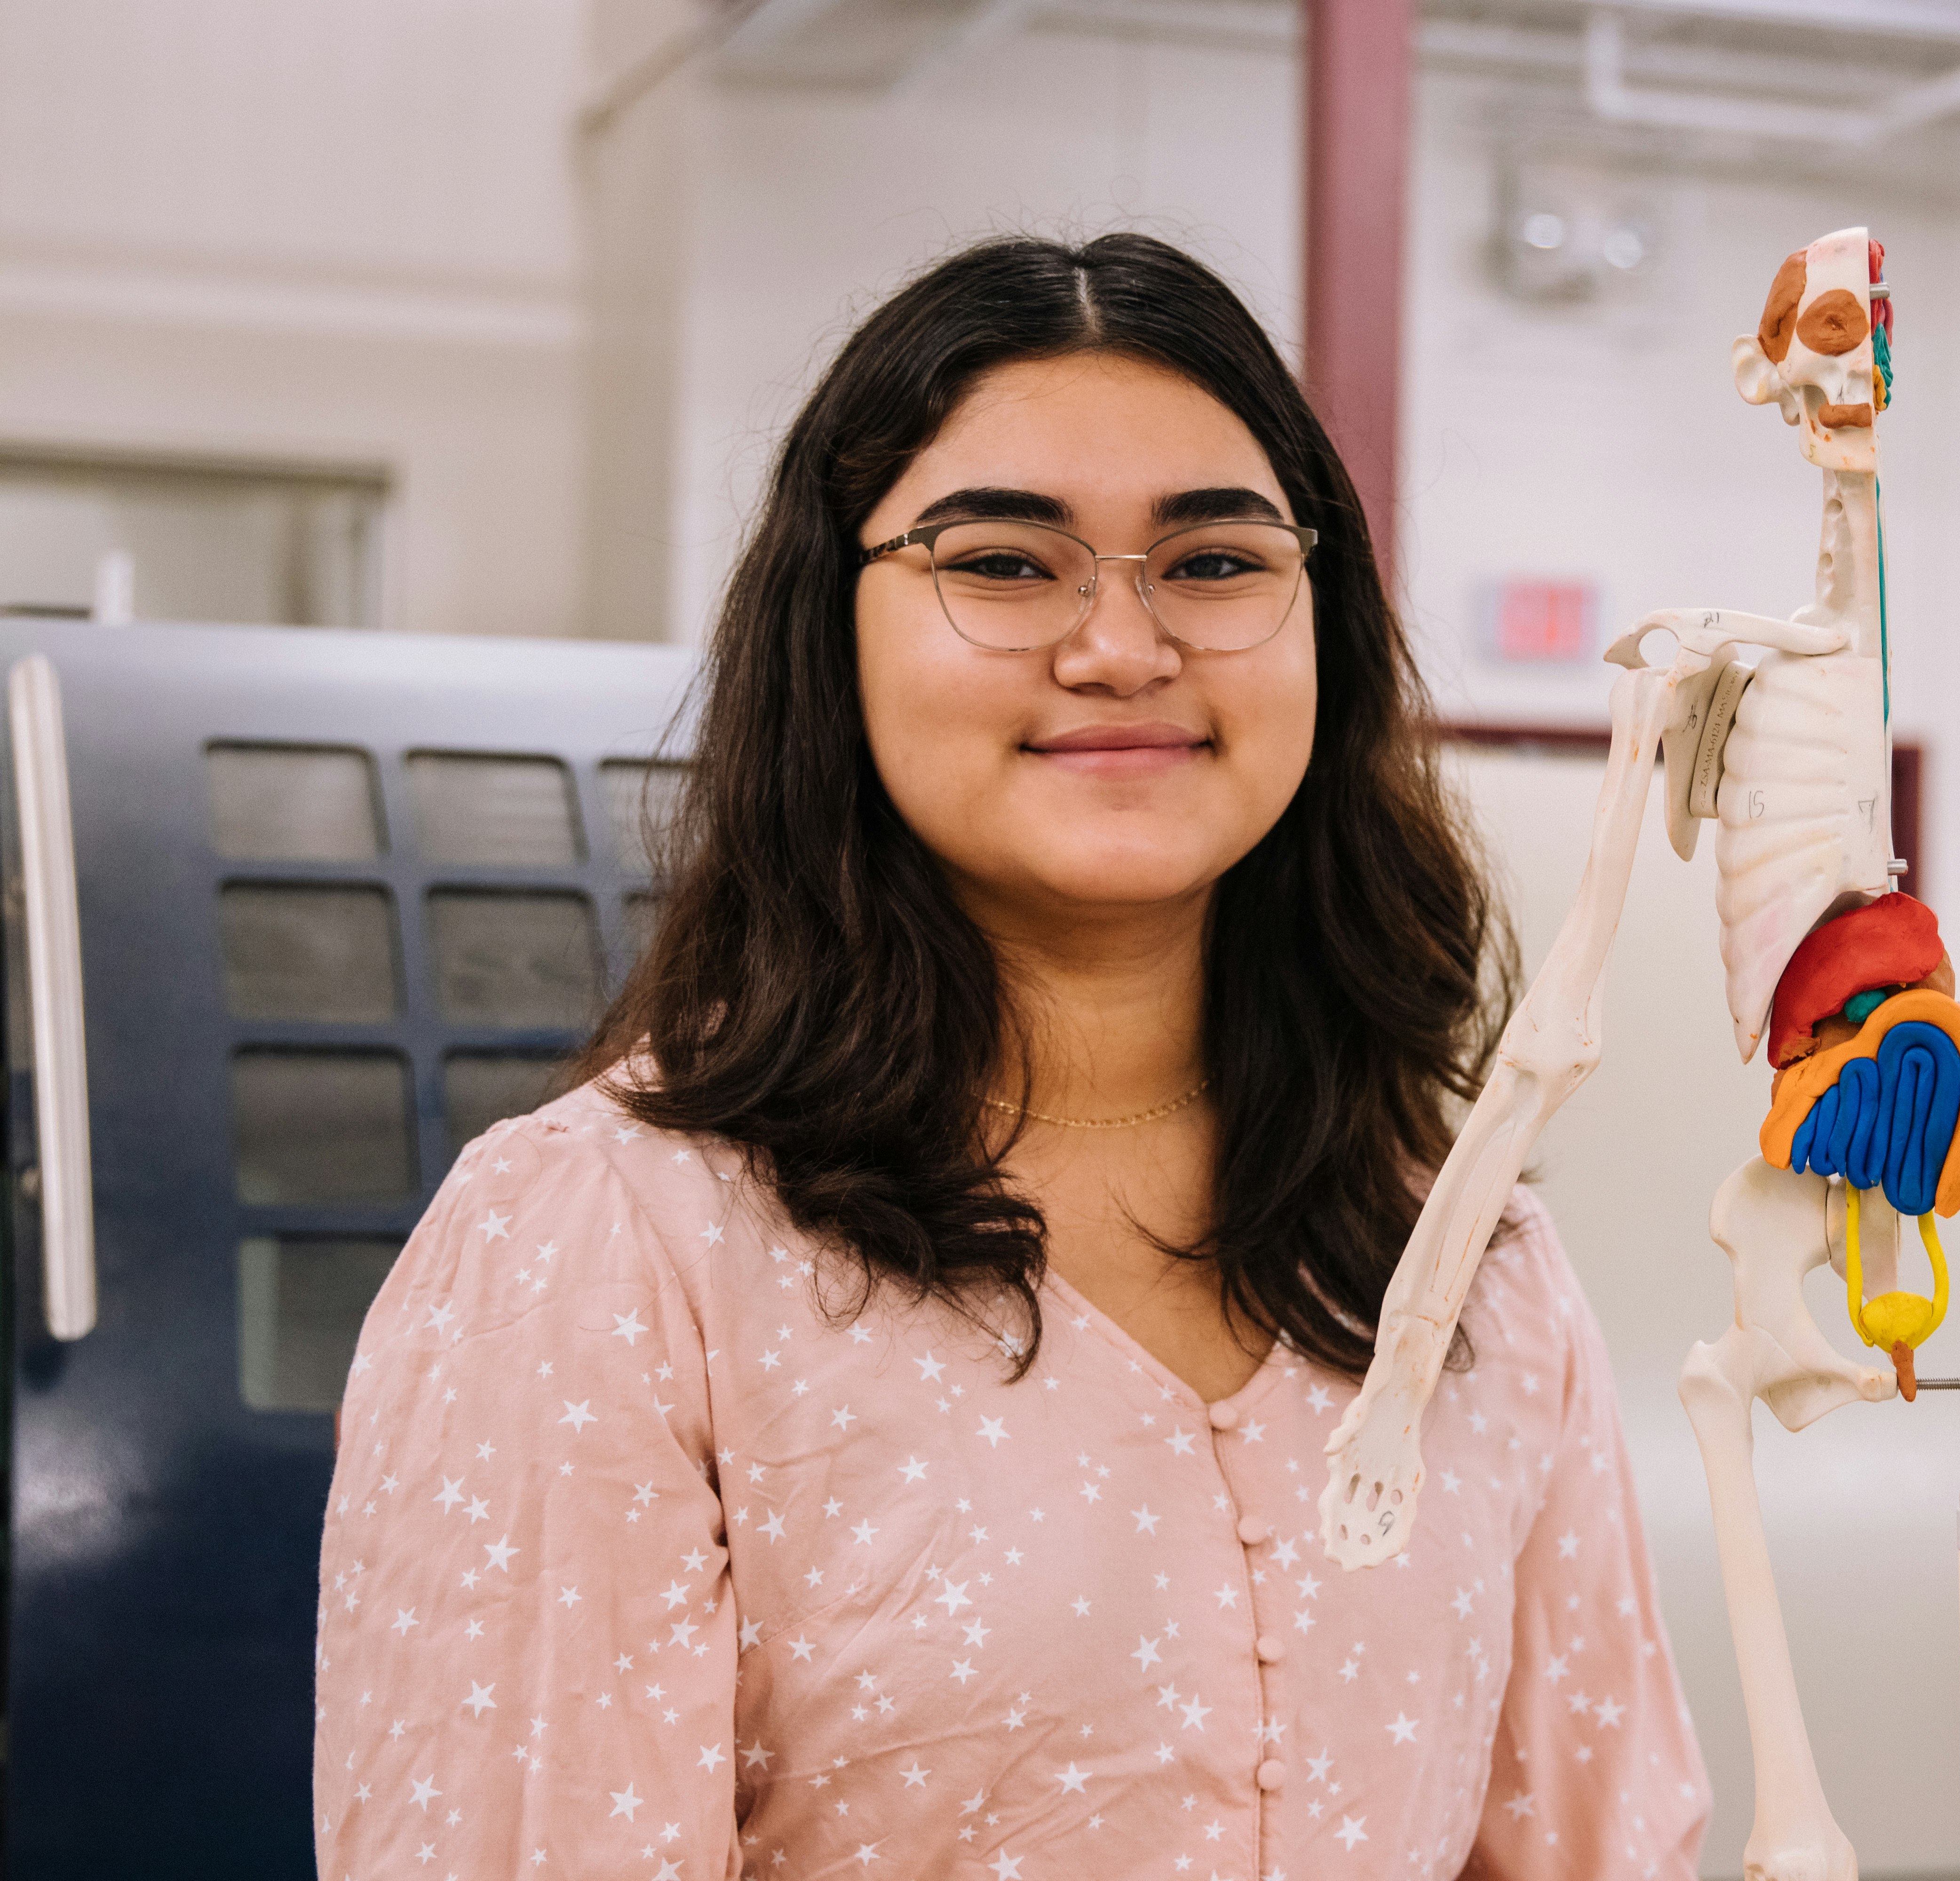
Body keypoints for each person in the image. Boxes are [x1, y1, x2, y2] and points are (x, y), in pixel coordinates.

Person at [312, 234, 1709, 1880]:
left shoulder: (1468, 1263)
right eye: (1004, 563)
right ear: (834, 632)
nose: (1123, 646)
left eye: (1211, 562)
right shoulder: (608, 1249)